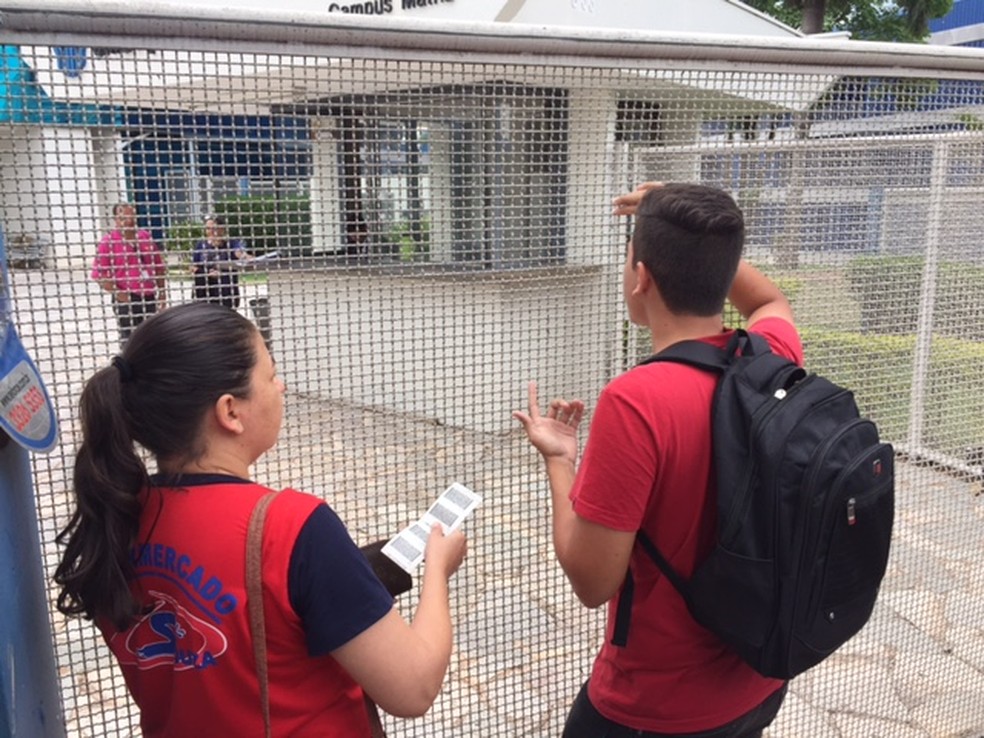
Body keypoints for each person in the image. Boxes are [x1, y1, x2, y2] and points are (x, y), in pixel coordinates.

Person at [54, 302, 467, 737]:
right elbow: (413, 688)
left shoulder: (115, 514)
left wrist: (345, 576)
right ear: (230, 411)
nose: (281, 386)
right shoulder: (295, 528)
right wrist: (437, 569)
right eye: (270, 375)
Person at [513, 182, 800, 738]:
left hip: (656, 707)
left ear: (641, 277)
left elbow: (592, 581)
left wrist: (559, 460)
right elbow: (768, 302)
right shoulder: (772, 357)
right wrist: (691, 223)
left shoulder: (638, 400)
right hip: (759, 679)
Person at [91, 203, 167, 345]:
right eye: (124, 218)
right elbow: (98, 274)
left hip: (148, 296)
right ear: (116, 220)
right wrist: (120, 294)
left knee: (150, 337)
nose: (129, 221)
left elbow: (159, 267)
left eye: (132, 216)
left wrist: (162, 292)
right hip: (127, 297)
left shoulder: (145, 237)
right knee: (130, 340)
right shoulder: (108, 242)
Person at [191, 216, 250, 309]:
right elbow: (193, 267)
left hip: (227, 292)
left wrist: (244, 256)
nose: (210, 232)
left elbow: (239, 253)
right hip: (205, 291)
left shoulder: (231, 243)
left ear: (222, 230)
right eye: (207, 229)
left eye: (214, 228)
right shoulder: (200, 245)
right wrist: (207, 274)